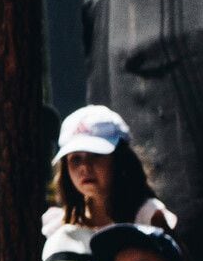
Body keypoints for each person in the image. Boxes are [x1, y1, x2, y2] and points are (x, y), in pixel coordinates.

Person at [41, 105, 175, 252]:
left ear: (120, 159)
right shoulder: (57, 226)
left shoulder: (148, 216)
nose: (85, 167)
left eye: (96, 155)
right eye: (76, 159)